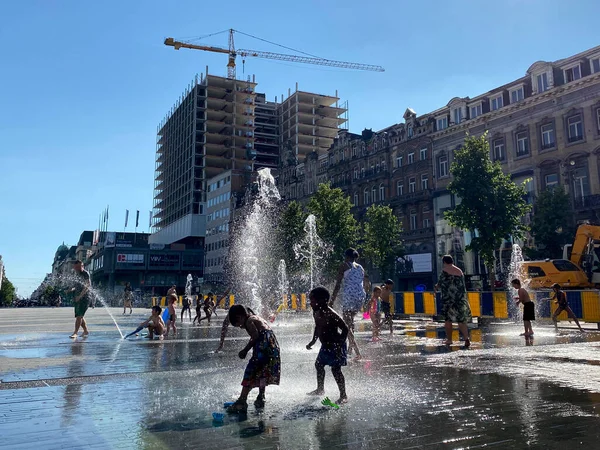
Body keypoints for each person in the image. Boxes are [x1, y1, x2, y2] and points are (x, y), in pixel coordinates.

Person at [226, 305, 281, 413]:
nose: (240, 327)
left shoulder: (249, 321)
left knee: (250, 371)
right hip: (272, 347)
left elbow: (255, 336)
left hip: (263, 347)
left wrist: (245, 350)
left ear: (240, 317)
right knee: (262, 372)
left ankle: (242, 401)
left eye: (238, 324)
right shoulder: (256, 317)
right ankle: (261, 397)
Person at [306, 286, 349, 404]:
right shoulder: (316, 312)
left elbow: (345, 328)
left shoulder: (331, 313)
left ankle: (343, 395)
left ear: (322, 300)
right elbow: (317, 327)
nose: (311, 303)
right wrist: (313, 341)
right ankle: (320, 389)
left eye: (313, 300)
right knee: (319, 365)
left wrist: (340, 345)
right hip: (326, 346)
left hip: (336, 345)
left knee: (336, 370)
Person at [330, 248, 364, 359]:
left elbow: (338, 284)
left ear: (346, 256)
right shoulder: (360, 267)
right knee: (350, 321)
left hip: (350, 296)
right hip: (360, 297)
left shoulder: (344, 265)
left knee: (345, 324)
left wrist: (332, 300)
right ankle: (350, 348)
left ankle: (357, 352)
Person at [434, 255, 471, 348]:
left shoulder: (444, 271)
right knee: (461, 320)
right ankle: (466, 338)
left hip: (449, 300)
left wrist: (436, 288)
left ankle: (449, 340)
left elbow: (439, 284)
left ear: (444, 262)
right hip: (461, 299)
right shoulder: (459, 271)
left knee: (448, 320)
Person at [70, 260, 91, 338]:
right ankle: (85, 331)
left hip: (85, 298)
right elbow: (76, 286)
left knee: (79, 316)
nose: (80, 268)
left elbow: (87, 286)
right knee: (79, 316)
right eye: (78, 267)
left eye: (81, 266)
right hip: (77, 297)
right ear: (75, 267)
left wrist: (80, 296)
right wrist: (70, 289)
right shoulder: (76, 274)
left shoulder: (85, 273)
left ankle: (75, 332)